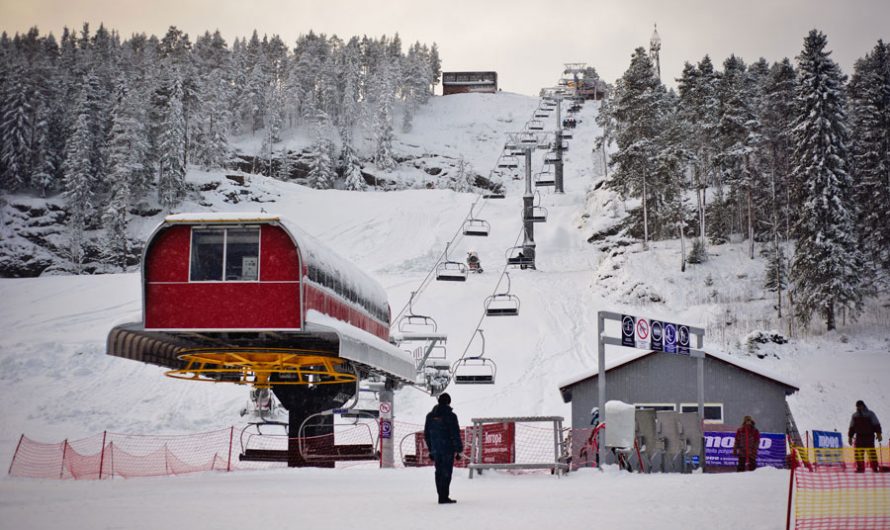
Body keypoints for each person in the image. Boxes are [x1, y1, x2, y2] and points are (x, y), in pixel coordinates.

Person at [424, 392, 463, 504]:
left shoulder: (430, 416)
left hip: (436, 449)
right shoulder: (451, 416)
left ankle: (441, 495)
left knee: (439, 472)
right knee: (446, 472)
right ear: (448, 402)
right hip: (447, 449)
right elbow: (455, 434)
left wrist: (431, 449)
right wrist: (459, 450)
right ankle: (444, 497)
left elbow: (427, 434)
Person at [848, 400, 882, 472]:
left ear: (863, 405)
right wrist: (850, 437)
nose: (859, 407)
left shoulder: (870, 414)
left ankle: (875, 468)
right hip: (859, 437)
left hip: (869, 436)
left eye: (860, 406)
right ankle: (860, 468)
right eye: (857, 406)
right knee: (858, 454)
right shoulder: (855, 415)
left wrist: (878, 434)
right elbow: (852, 427)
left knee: (871, 453)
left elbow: (876, 424)